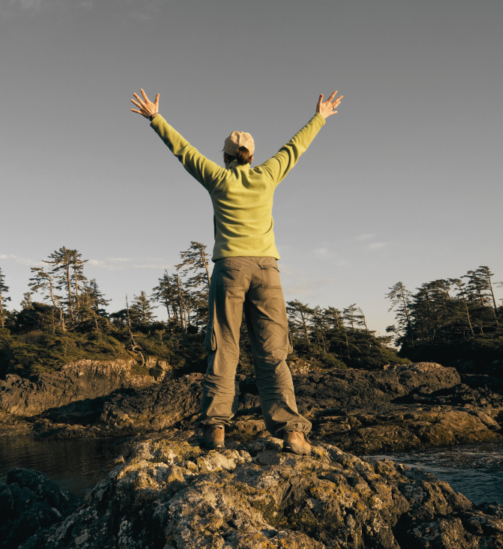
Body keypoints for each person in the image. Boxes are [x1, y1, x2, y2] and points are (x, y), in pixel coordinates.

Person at [130, 88, 343, 454]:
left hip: (229, 269)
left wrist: (155, 118)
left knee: (224, 349)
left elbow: (184, 151)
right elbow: (295, 147)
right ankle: (292, 432)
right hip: (267, 270)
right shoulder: (267, 174)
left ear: (227, 157)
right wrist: (320, 116)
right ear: (252, 156)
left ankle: (215, 430)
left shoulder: (218, 178)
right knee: (273, 353)